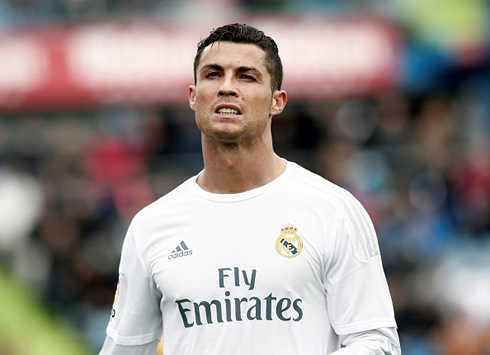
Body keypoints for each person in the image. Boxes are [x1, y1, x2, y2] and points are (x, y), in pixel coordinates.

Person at [99, 23, 401, 355]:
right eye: (213, 74)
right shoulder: (151, 226)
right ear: (192, 96)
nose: (227, 87)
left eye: (246, 76)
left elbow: (377, 343)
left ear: (277, 102)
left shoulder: (333, 210)